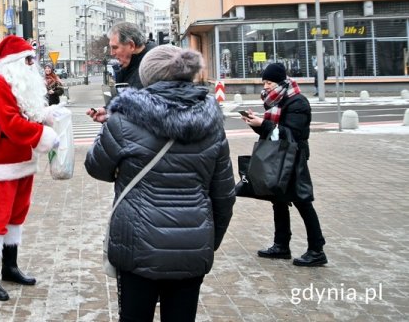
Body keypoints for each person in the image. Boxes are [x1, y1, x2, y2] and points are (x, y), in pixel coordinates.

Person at [85, 45, 235, 322]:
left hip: (136, 244)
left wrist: (107, 130)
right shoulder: (213, 124)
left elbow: (97, 168)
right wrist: (207, 240)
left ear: (147, 76)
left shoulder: (122, 120)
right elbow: (224, 194)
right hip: (192, 243)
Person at [0, 35, 59, 301]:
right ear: (14, 62)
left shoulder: (15, 83)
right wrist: (42, 135)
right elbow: (10, 122)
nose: (33, 65)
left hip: (20, 158)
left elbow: (25, 112)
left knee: (16, 213)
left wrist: (44, 116)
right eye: (28, 60)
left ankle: (10, 267)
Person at [241, 62, 327, 267]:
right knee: (278, 199)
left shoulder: (297, 102)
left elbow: (291, 135)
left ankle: (317, 250)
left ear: (280, 81)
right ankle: (281, 245)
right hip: (279, 156)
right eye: (264, 82)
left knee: (302, 201)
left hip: (294, 158)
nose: (266, 86)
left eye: (269, 82)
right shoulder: (277, 102)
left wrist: (264, 124)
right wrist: (257, 124)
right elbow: (274, 132)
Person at [86, 21, 154, 123]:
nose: (112, 53)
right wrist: (107, 109)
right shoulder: (129, 64)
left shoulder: (155, 66)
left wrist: (112, 115)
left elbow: (146, 112)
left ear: (131, 45)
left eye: (115, 47)